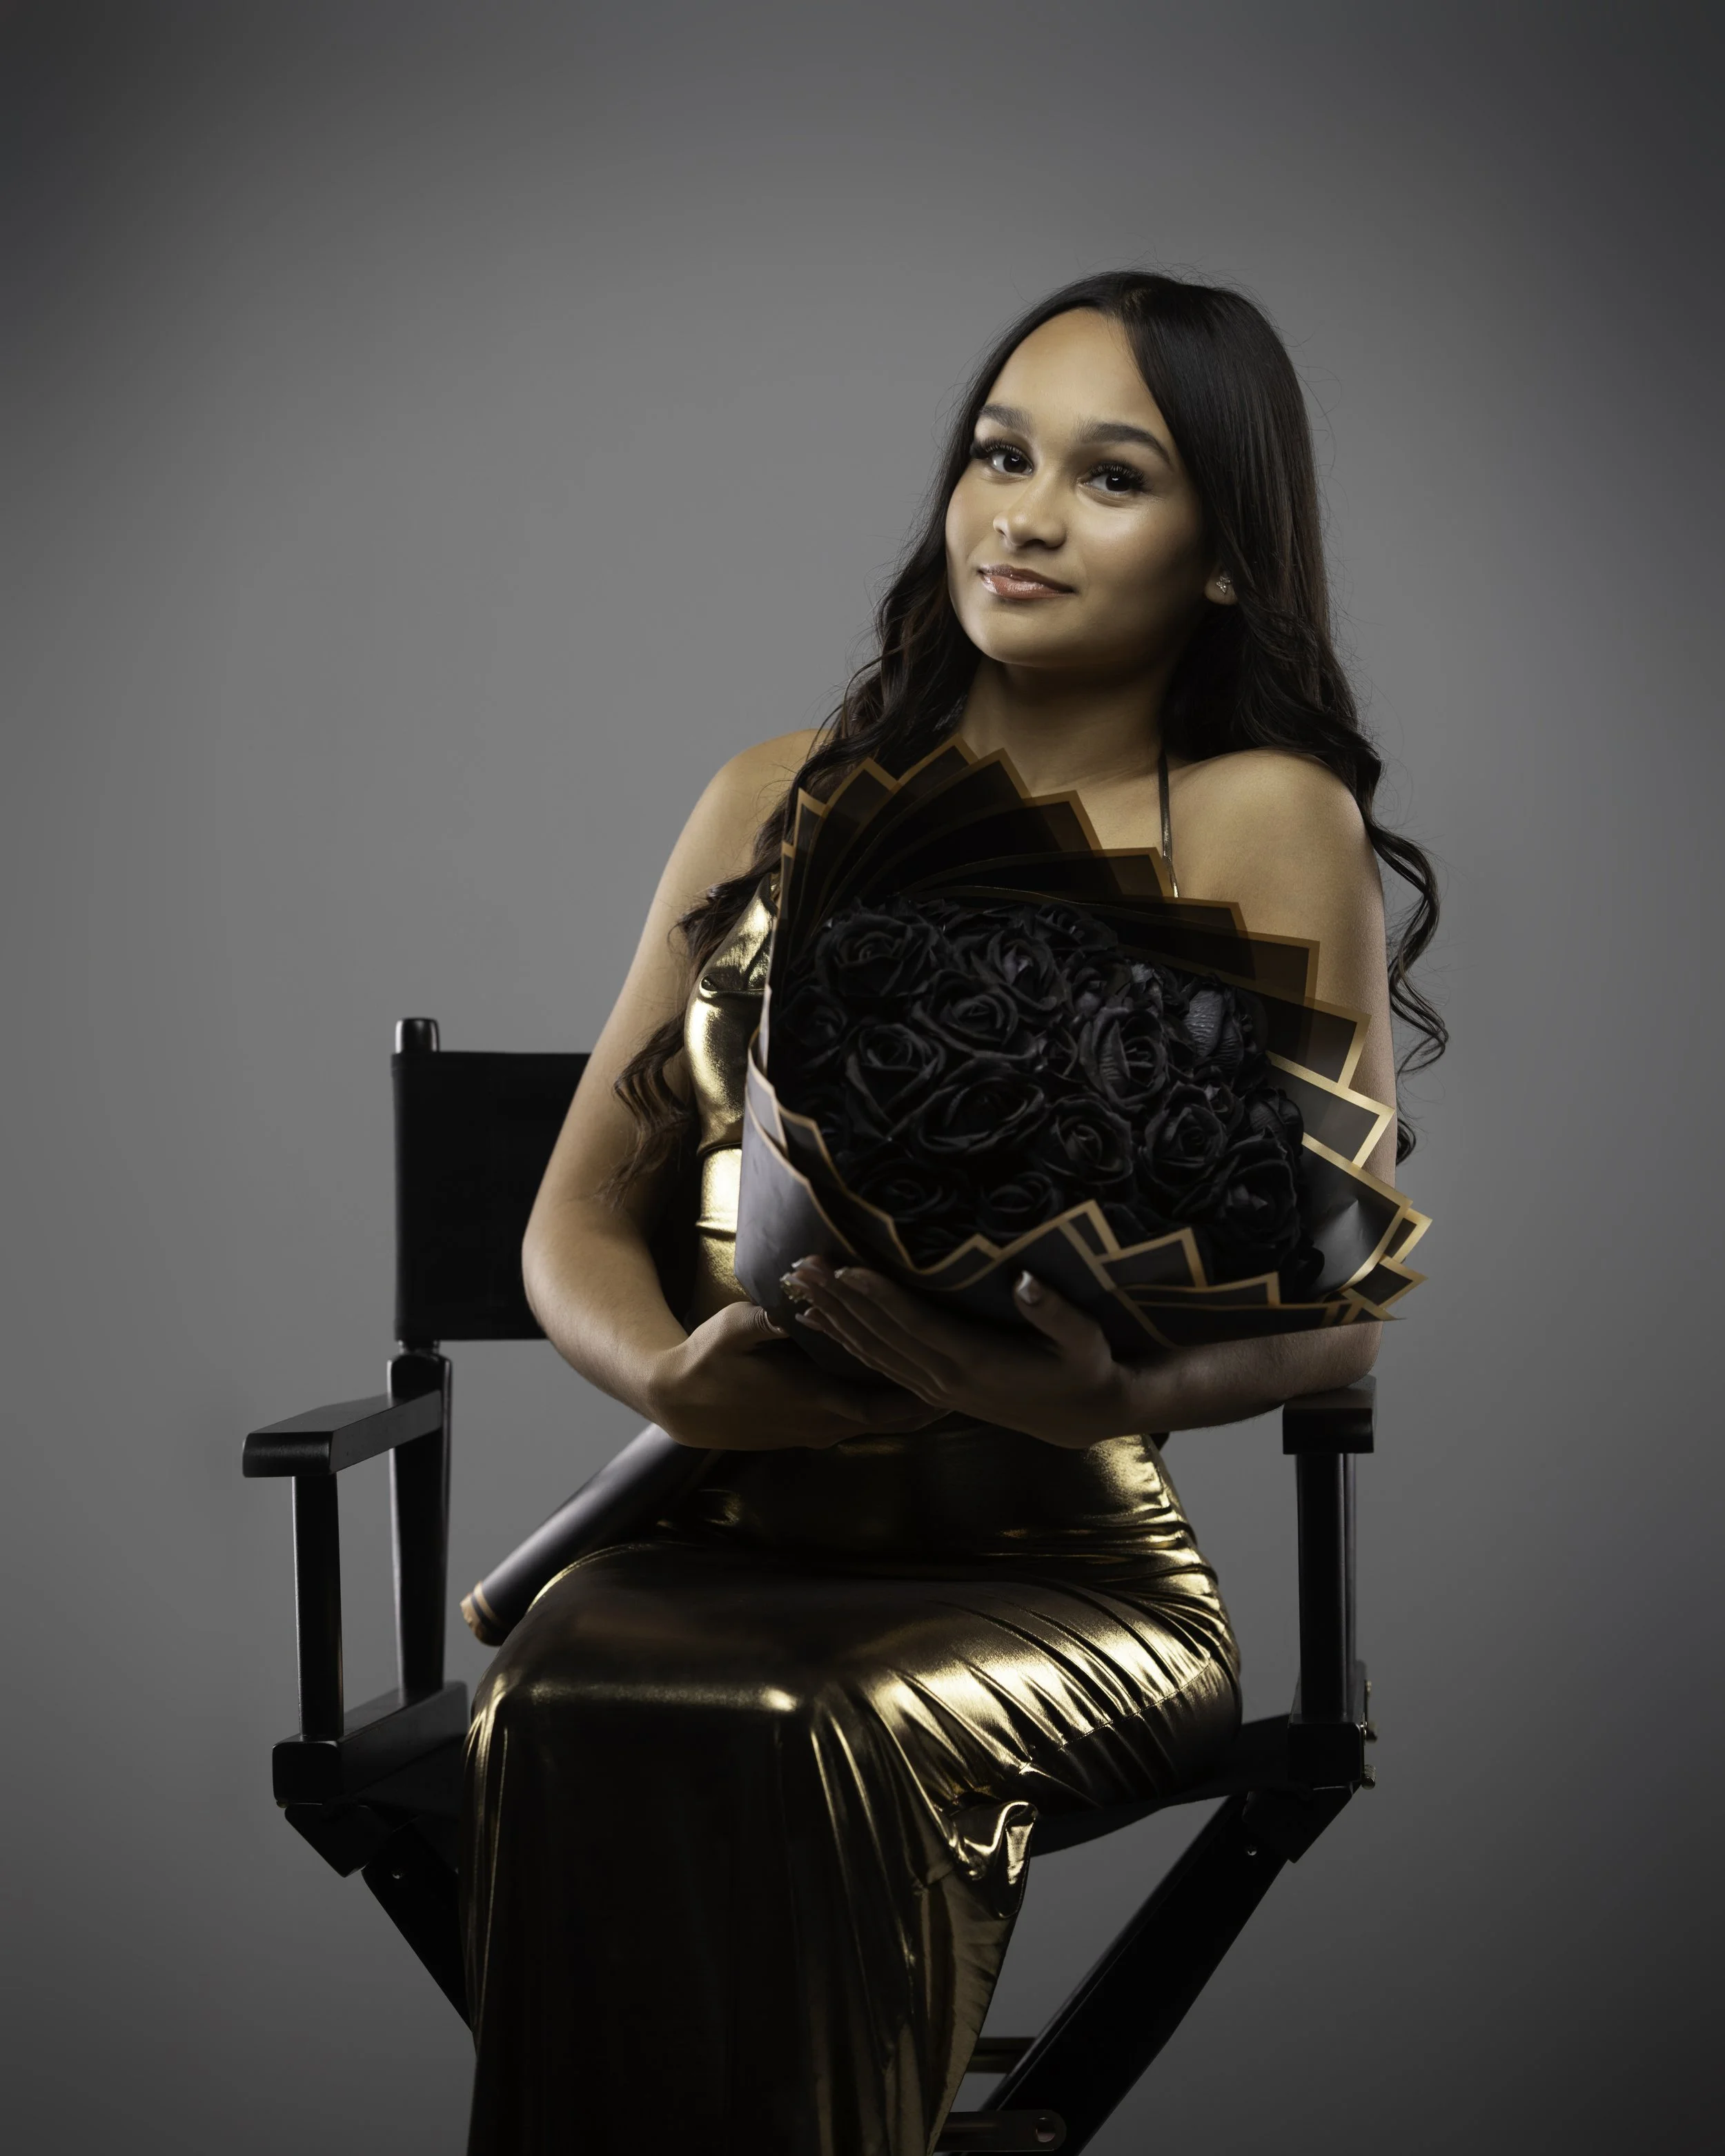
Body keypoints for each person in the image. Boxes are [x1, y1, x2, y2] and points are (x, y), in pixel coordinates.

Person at [460, 270, 1443, 2155]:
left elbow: (1340, 1309)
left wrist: (1102, 1402)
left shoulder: (1256, 813)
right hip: (724, 1532)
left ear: (1222, 554)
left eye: (1108, 476)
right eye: (999, 454)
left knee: (808, 1718)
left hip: (1061, 1568)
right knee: (570, 1674)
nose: (1021, 510)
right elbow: (573, 1217)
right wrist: (675, 1380)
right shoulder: (773, 793)